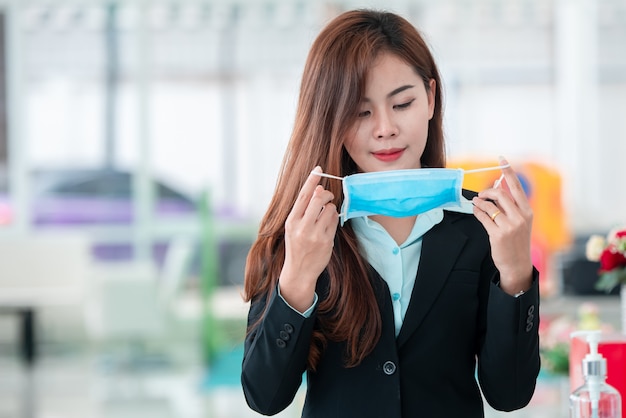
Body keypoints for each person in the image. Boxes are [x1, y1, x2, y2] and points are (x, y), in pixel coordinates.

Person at [241, 9, 540, 418]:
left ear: (431, 98)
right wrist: (297, 278)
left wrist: (516, 272)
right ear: (330, 119)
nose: (385, 128)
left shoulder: (480, 225)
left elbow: (510, 394)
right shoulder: (303, 230)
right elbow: (265, 397)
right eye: (361, 112)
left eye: (402, 103)